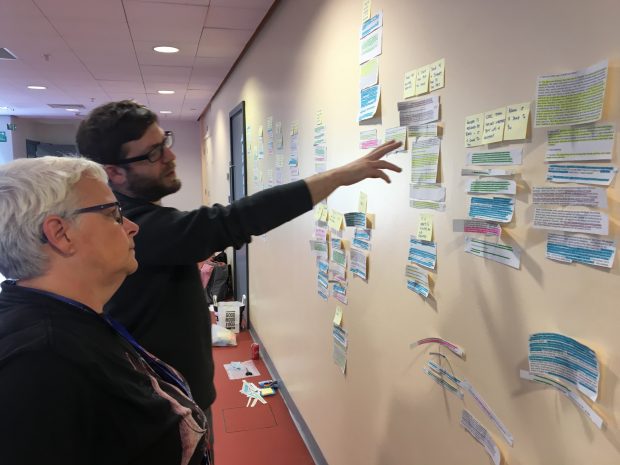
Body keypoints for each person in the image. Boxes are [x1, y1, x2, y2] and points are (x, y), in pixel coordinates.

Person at [76, 100, 402, 443]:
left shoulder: (130, 216)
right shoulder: (131, 227)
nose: (170, 156)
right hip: (161, 414)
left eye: (164, 142)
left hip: (178, 399)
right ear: (113, 172)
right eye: (153, 153)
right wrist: (336, 177)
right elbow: (232, 221)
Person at [0, 156, 211, 465]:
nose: (133, 227)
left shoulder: (70, 320)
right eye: (114, 214)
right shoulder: (38, 360)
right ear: (61, 234)